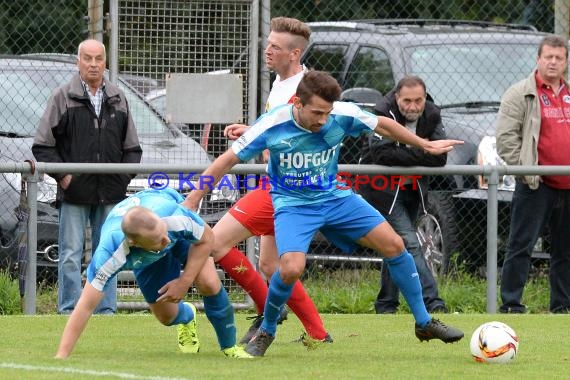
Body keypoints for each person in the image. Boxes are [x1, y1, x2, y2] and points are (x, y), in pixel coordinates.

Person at [184, 70, 465, 357]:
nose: (322, 120)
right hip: (293, 204)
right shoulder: (273, 124)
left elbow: (384, 125)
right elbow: (226, 160)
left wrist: (424, 144)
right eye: (317, 112)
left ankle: (424, 322)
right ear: (297, 103)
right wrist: (194, 197)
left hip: (335, 197)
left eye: (327, 113)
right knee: (291, 268)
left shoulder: (340, 114)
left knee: (395, 245)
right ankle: (267, 329)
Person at [211, 17, 331, 346]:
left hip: (289, 188)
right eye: (268, 45)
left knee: (215, 241)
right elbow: (280, 128)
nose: (267, 51)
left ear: (294, 54)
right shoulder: (281, 84)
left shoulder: (306, 88)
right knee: (270, 264)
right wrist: (251, 132)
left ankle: (269, 311)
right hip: (279, 185)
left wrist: (259, 141)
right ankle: (319, 335)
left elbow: (313, 136)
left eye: (275, 47)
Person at [55, 187, 252, 359]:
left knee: (208, 281)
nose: (166, 240)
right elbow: (85, 307)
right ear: (134, 243)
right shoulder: (110, 253)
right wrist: (61, 357)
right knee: (166, 317)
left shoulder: (174, 218)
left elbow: (207, 239)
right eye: (159, 240)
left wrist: (184, 282)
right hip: (148, 255)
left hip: (178, 233)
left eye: (163, 233)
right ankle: (188, 317)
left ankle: (230, 347)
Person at [32, 39, 143, 315]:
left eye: (98, 59)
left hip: (111, 194)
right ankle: (69, 309)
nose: (93, 64)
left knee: (108, 254)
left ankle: (106, 310)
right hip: (74, 193)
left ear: (105, 62)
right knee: (70, 254)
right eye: (87, 59)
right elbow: (43, 145)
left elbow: (132, 149)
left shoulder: (119, 97)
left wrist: (120, 180)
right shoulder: (61, 96)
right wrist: (65, 177)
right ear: (78, 62)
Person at [359, 75, 448, 314]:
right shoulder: (382, 111)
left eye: (418, 100)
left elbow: (440, 158)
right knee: (409, 243)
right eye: (407, 101)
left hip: (413, 189)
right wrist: (422, 147)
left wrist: (403, 151)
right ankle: (433, 302)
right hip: (381, 189)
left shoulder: (432, 113)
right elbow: (380, 155)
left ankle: (386, 305)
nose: (413, 107)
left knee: (394, 246)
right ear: (397, 98)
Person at [496, 35, 570, 314]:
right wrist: (528, 170)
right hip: (536, 185)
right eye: (548, 56)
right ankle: (512, 305)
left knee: (565, 251)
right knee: (521, 246)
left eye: (558, 58)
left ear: (565, 62)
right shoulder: (520, 93)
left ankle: (562, 306)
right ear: (538, 59)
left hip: (569, 183)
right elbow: (505, 139)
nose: (553, 62)